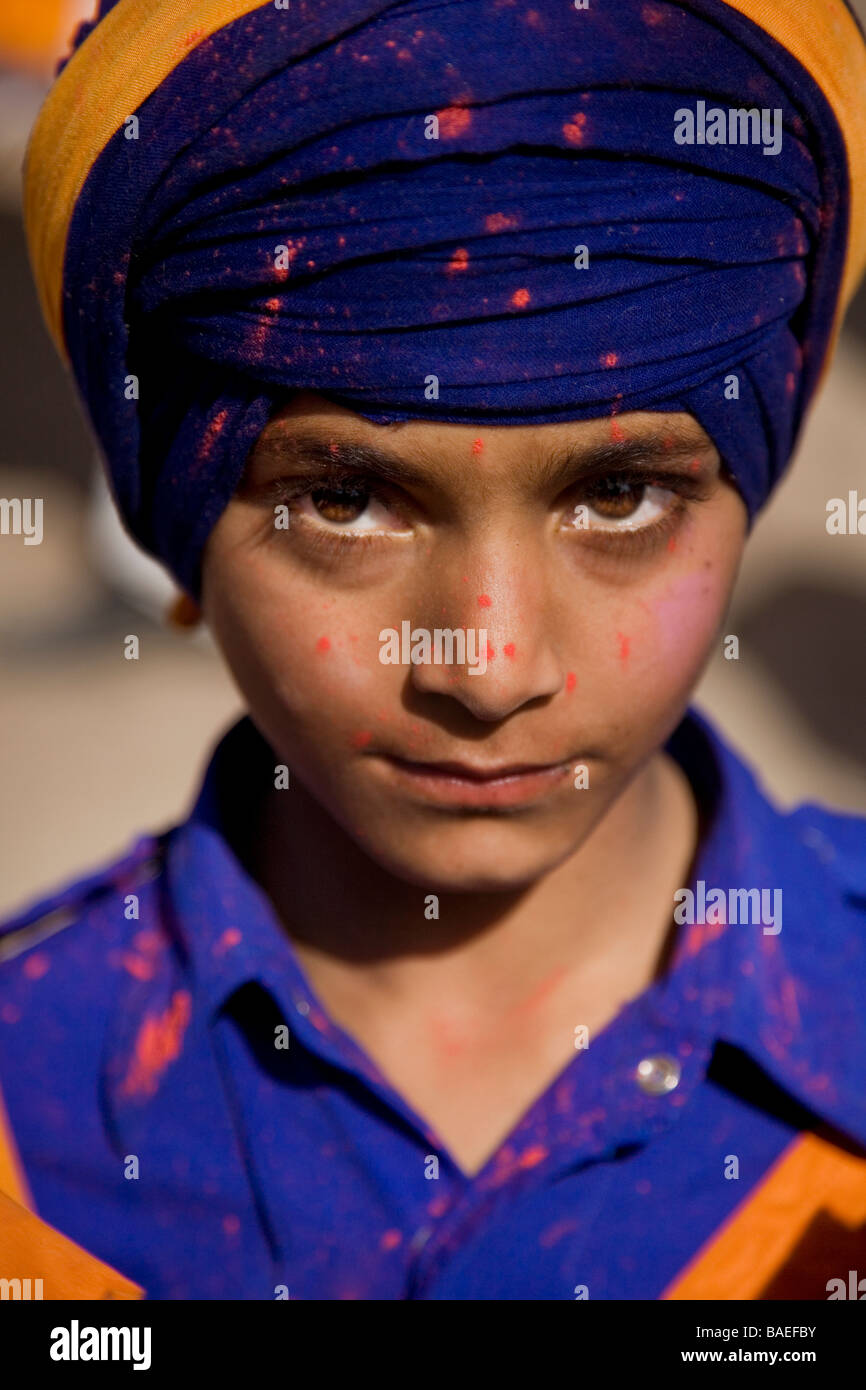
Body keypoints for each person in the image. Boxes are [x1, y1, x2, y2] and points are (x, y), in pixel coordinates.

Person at [1, 0, 866, 1301]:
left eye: (618, 497)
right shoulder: (27, 1123)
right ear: (169, 519)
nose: (489, 664)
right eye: (345, 501)